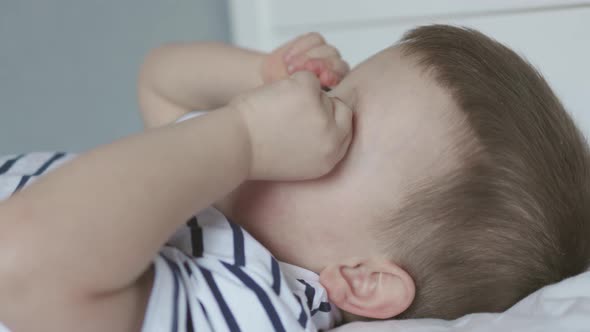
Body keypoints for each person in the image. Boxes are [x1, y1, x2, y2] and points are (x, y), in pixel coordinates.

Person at [1, 25, 589, 332]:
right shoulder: (225, 195)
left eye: (345, 120)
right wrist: (259, 74)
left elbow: (20, 261)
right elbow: (160, 81)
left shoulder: (250, 300)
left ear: (361, 281)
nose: (311, 102)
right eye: (334, 90)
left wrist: (248, 137)